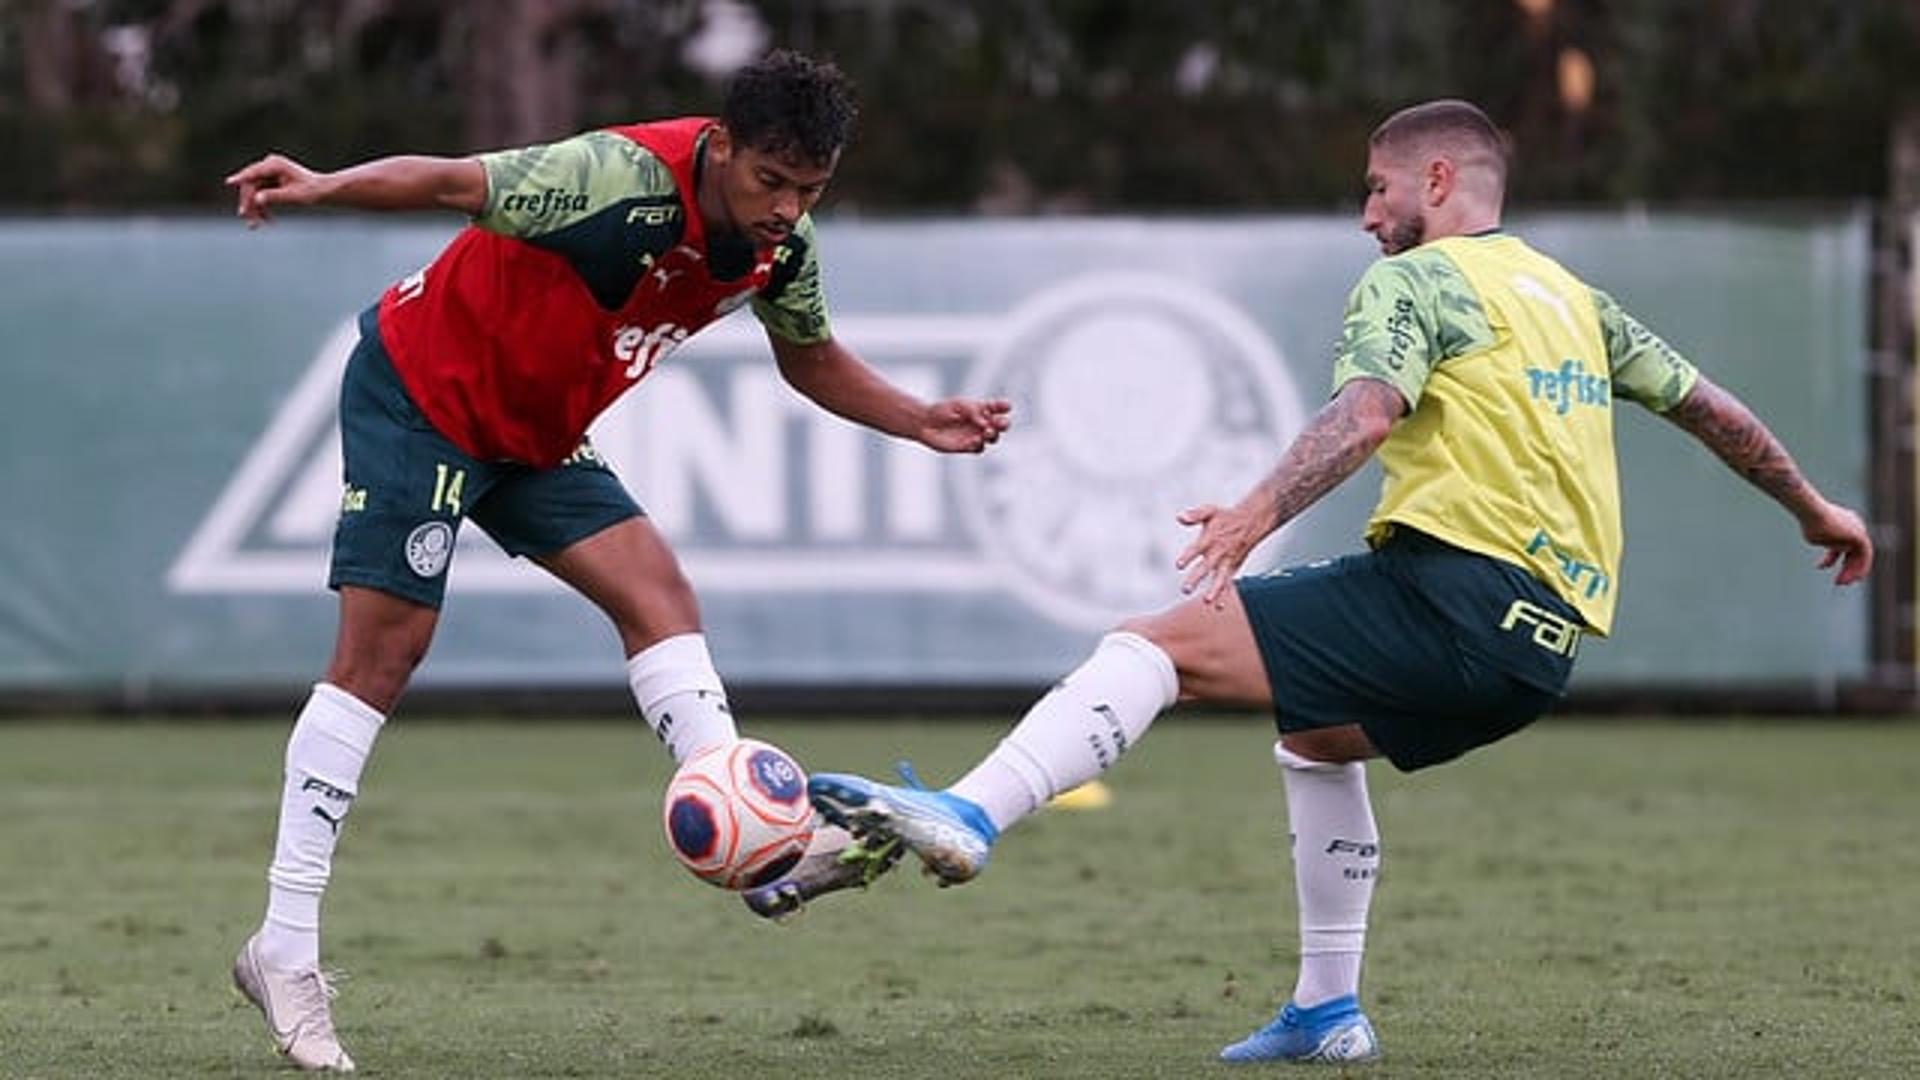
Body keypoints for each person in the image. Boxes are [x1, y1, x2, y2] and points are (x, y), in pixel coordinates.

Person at [749, 99, 1874, 1064]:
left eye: (1377, 187)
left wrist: (1253, 513)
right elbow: (1714, 410)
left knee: (1155, 645)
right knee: (1318, 740)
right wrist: (1815, 508)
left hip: (1452, 598)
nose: (1366, 214)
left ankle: (969, 816)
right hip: (1542, 651)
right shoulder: (1570, 297)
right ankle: (1326, 1009)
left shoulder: (1418, 281)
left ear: (1437, 179)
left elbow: (1365, 413)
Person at [223, 51, 1010, 1072]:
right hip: (424, 392)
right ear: (721, 147)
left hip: (536, 433)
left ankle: (761, 840)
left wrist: (919, 419)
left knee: (659, 595)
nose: (785, 207)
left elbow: (809, 358)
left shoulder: (783, 248)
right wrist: (324, 185)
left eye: (809, 190)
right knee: (384, 656)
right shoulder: (618, 179)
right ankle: (281, 947)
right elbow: (458, 180)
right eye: (770, 181)